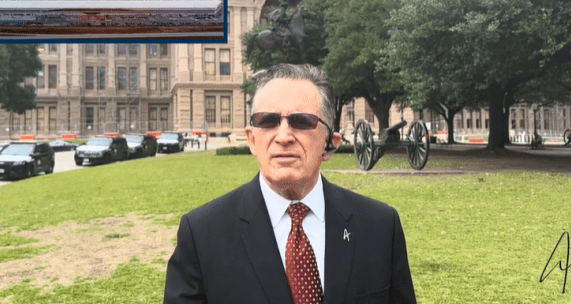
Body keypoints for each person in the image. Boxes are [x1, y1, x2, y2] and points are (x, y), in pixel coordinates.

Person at [164, 63, 416, 304]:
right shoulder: (201, 235)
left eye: (301, 121)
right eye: (268, 121)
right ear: (252, 140)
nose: (283, 136)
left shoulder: (380, 227)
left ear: (330, 143)